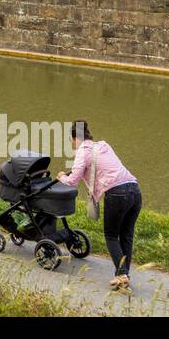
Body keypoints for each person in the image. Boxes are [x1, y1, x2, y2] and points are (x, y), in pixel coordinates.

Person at [57, 120, 141, 290]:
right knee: (126, 236)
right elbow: (109, 167)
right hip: (135, 190)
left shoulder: (82, 152)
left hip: (117, 194)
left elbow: (72, 181)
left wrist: (61, 177)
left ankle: (122, 275)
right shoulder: (103, 145)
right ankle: (124, 274)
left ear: (75, 139)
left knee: (111, 236)